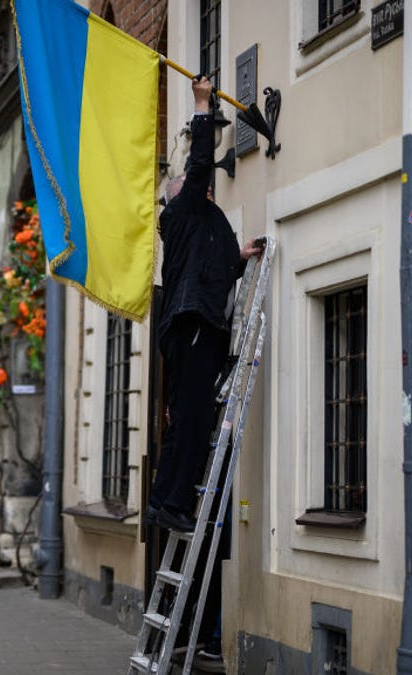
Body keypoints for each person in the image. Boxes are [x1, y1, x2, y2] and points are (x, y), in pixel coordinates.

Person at [144, 75, 265, 533]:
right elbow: (198, 168)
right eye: (200, 189)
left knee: (183, 419)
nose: (208, 190)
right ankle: (175, 505)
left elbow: (210, 269)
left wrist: (238, 257)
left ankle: (161, 501)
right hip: (194, 324)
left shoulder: (197, 228)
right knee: (194, 419)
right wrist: (201, 105)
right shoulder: (185, 210)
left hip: (188, 324)